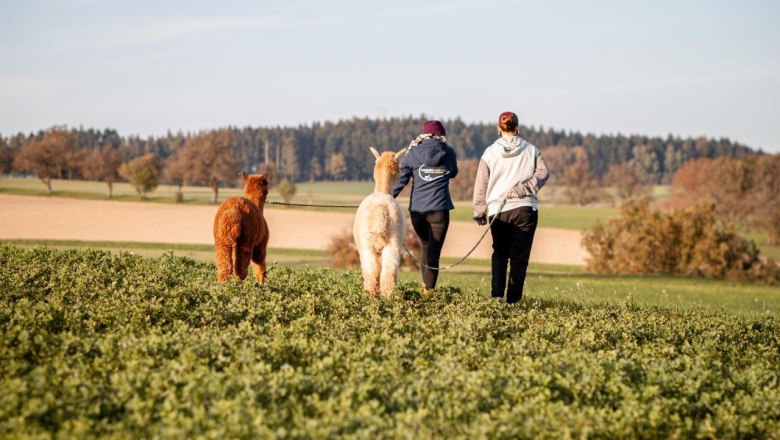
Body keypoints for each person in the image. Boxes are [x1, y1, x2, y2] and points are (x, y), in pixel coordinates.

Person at [472, 111, 549, 303]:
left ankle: (497, 296)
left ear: (499, 129)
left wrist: (479, 212)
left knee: (500, 254)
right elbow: (543, 173)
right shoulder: (531, 150)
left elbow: (481, 184)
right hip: (525, 209)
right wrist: (524, 189)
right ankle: (514, 301)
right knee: (519, 258)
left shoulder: (489, 152)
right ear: (518, 128)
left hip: (498, 211)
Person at [391, 120, 458, 293]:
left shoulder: (413, 152)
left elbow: (402, 180)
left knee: (426, 247)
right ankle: (429, 292)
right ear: (441, 135)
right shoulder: (449, 152)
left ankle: (425, 286)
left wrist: (387, 197)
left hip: (418, 212)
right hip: (440, 210)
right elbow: (453, 173)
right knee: (434, 253)